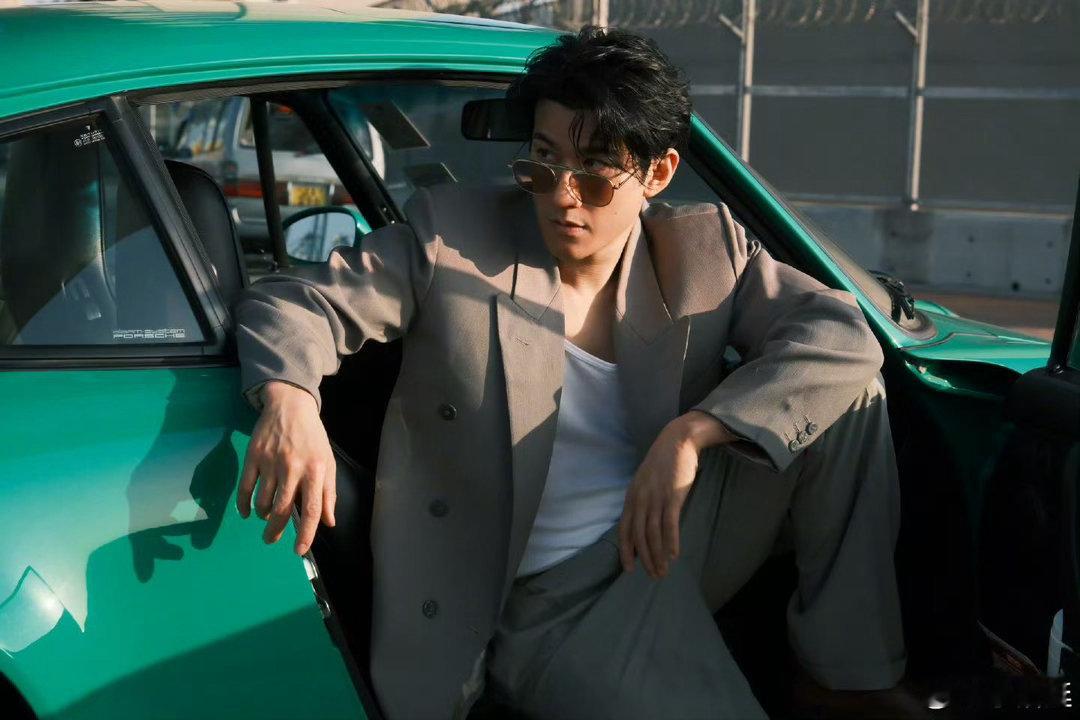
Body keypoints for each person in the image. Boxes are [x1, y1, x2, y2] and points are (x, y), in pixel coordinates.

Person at [234, 26, 909, 720]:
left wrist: (693, 433)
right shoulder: (455, 240)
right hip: (553, 604)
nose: (562, 195)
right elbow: (294, 302)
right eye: (542, 162)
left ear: (658, 175)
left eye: (594, 172)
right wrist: (290, 401)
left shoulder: (704, 250)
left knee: (850, 395)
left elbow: (841, 335)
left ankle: (843, 677)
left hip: (678, 527)